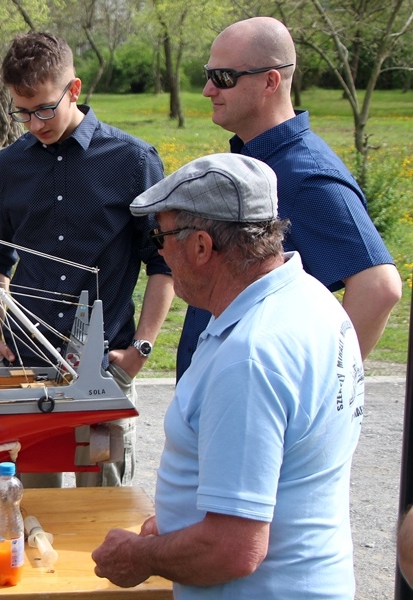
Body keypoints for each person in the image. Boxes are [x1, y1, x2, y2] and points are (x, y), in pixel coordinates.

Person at [92, 153, 364, 598]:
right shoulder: (310, 299)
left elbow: (233, 549)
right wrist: (180, 525)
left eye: (160, 236)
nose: (158, 251)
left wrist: (139, 556)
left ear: (201, 246)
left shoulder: (250, 355)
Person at [0, 32, 173, 488]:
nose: (34, 123)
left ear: (75, 89)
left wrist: (139, 351)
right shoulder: (9, 166)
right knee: (31, 508)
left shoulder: (133, 160)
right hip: (28, 365)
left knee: (103, 506)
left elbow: (165, 265)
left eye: (44, 108)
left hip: (107, 363)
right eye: (22, 111)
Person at [176, 15, 402, 380]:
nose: (207, 90)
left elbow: (379, 288)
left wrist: (319, 387)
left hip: (257, 410)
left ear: (270, 81)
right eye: (209, 74)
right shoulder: (261, 159)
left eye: (223, 78)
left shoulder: (305, 175)